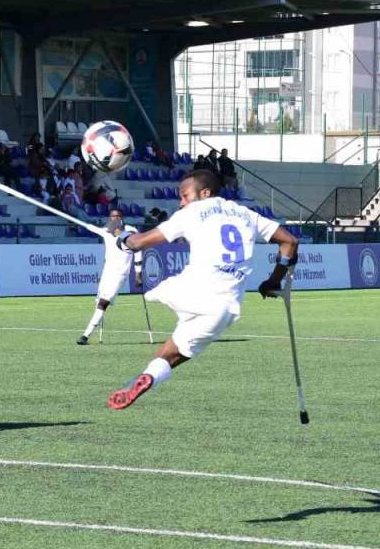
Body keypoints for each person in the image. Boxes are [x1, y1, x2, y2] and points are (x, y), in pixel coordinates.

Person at [106, 170, 299, 409]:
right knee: (175, 354)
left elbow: (137, 243)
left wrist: (119, 235)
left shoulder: (190, 213)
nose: (181, 202)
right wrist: (274, 281)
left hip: (191, 291)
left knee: (152, 289)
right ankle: (147, 378)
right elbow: (290, 241)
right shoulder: (247, 213)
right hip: (226, 308)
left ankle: (147, 374)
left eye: (185, 196)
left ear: (204, 193)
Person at [76, 209, 143, 346]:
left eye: (117, 216)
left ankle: (85, 335)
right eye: (112, 216)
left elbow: (138, 250)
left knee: (103, 303)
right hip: (107, 272)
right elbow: (93, 228)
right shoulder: (106, 230)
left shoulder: (130, 231)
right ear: (110, 218)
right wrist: (83, 224)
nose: (115, 218)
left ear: (121, 217)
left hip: (120, 273)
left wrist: (138, 273)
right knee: (99, 302)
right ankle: (88, 333)